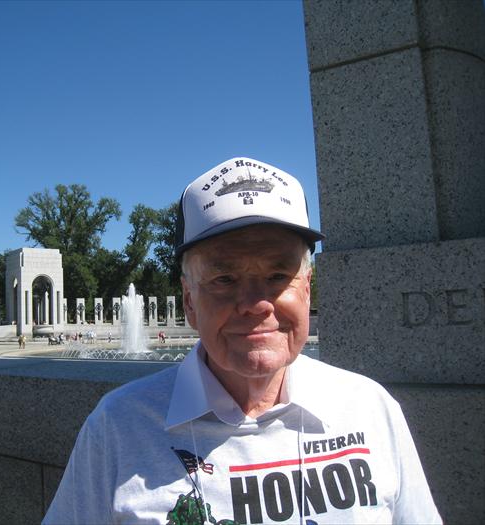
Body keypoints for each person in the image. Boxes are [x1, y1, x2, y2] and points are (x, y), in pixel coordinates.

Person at [44, 157, 442, 524]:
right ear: (189, 302)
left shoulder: (370, 408)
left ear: (306, 288)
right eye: (224, 279)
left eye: (277, 276)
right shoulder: (117, 428)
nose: (255, 304)